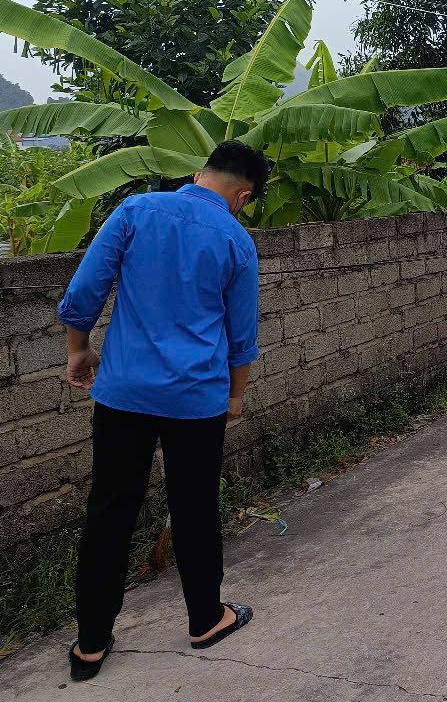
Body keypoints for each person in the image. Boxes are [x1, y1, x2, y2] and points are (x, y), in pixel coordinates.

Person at [58, 140, 267, 681]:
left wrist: (78, 349)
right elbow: (241, 336)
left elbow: (86, 289)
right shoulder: (236, 241)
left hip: (124, 393)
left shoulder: (135, 210)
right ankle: (206, 619)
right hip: (196, 400)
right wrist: (236, 396)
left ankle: (90, 644)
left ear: (200, 173)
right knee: (195, 506)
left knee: (109, 509)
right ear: (242, 195)